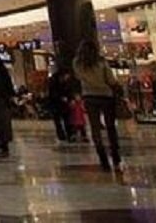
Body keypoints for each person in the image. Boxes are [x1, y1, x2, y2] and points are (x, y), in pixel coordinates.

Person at [73, 40, 122, 171]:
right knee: (110, 127)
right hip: (106, 95)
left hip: (89, 96)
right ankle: (115, 155)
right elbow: (111, 79)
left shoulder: (78, 63)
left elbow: (78, 77)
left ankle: (103, 158)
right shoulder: (101, 61)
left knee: (95, 128)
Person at [46, 67, 79, 142]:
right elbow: (52, 93)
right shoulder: (53, 81)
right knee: (58, 121)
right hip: (55, 103)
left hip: (64, 104)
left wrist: (71, 98)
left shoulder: (66, 82)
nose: (67, 77)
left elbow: (70, 91)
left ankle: (69, 134)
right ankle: (61, 135)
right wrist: (61, 97)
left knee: (67, 119)